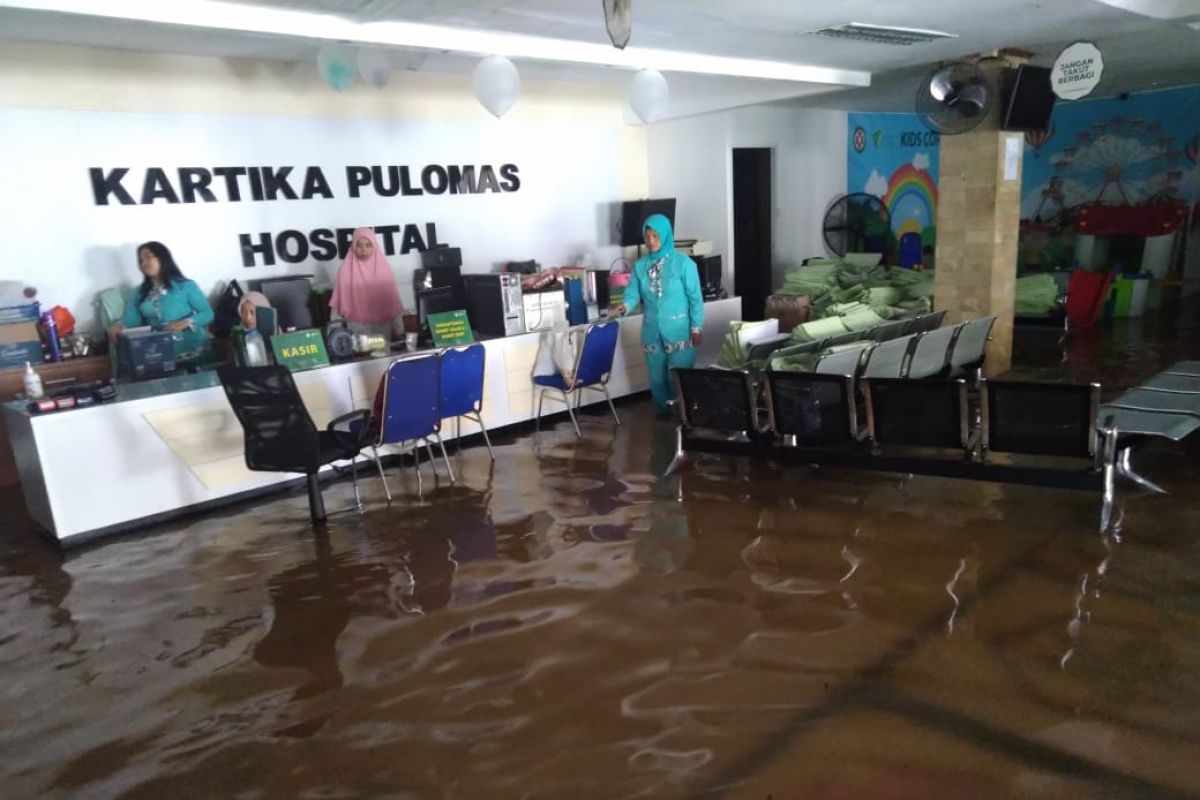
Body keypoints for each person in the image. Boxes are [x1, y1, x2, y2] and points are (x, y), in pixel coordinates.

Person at [613, 214, 704, 417]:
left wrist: (696, 327)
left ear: (665, 235)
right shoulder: (640, 266)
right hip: (652, 330)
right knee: (657, 377)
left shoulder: (684, 264)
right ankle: (663, 413)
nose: (651, 241)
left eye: (655, 236)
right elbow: (633, 292)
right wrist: (624, 306)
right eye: (648, 236)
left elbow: (695, 298)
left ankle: (685, 416)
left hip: (679, 330)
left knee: (680, 376)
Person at [108, 241, 215, 366]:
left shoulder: (186, 286)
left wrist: (185, 323)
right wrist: (119, 326)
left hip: (195, 351)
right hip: (158, 355)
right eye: (140, 260)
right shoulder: (137, 293)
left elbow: (207, 313)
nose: (143, 263)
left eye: (148, 257)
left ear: (163, 258)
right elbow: (131, 320)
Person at [329, 227, 405, 338]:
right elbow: (338, 307)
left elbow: (393, 306)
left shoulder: (385, 271)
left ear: (374, 246)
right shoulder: (345, 271)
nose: (363, 249)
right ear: (353, 246)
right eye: (359, 245)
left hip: (383, 331)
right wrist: (335, 335)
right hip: (357, 331)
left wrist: (400, 332)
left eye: (368, 245)